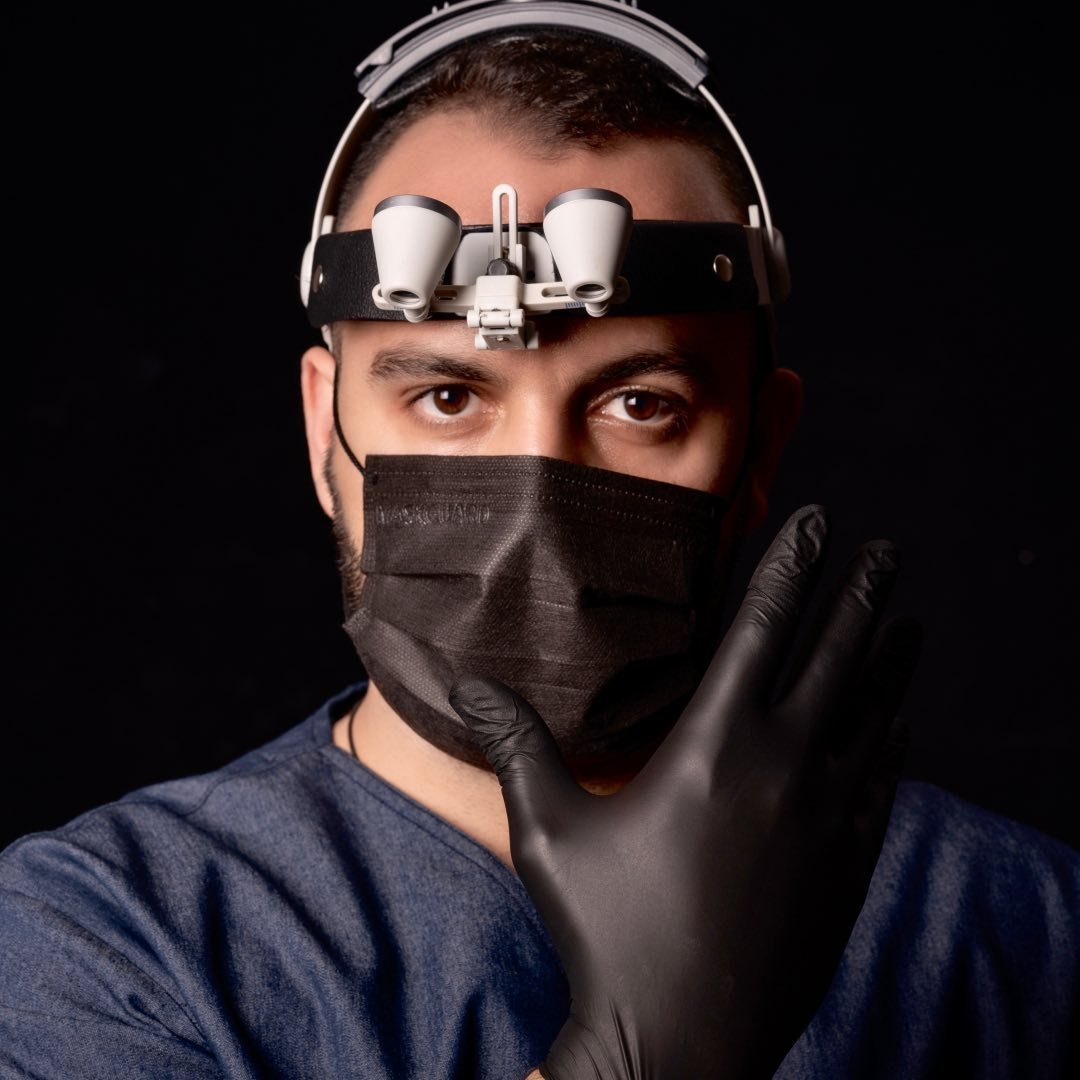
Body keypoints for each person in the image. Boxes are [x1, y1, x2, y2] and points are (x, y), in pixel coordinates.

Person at [2, 2, 1077, 1078]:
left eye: (640, 404)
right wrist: (645, 1056)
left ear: (761, 444)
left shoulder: (1031, 930)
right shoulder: (105, 943)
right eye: (446, 396)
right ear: (323, 427)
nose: (533, 498)